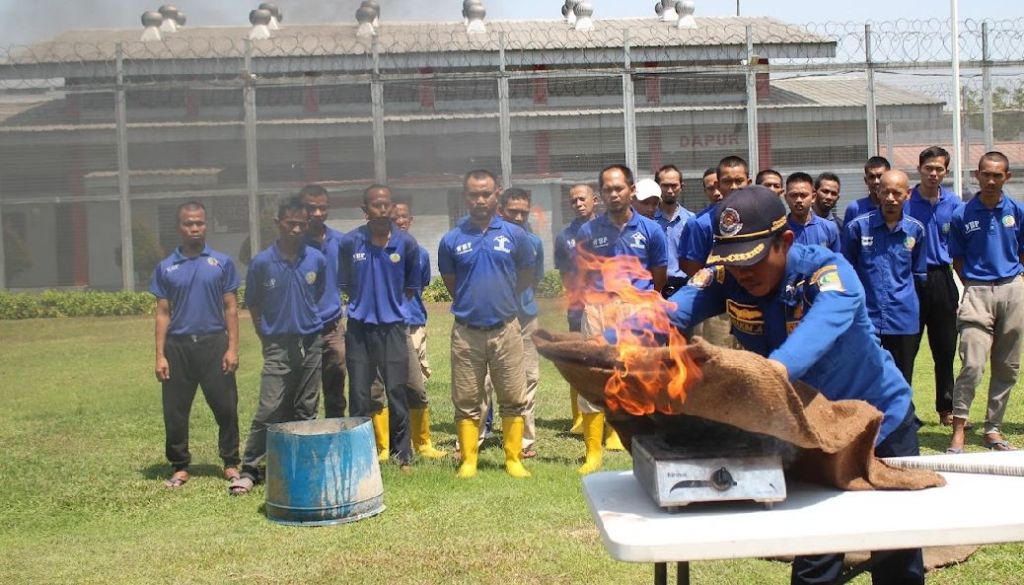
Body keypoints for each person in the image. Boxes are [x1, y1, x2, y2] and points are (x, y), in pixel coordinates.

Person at [665, 185, 924, 585]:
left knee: (895, 551)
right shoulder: (724, 277)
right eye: (732, 262)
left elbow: (789, 363)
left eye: (752, 260)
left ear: (785, 241)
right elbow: (666, 315)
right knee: (817, 549)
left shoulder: (831, 275)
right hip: (811, 431)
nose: (741, 272)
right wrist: (623, 333)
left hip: (879, 423)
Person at [438, 169, 535, 479]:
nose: (479, 200)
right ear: (465, 197)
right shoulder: (451, 239)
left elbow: (524, 277)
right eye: (473, 195)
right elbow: (452, 283)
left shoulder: (515, 235)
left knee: (513, 397)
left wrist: (501, 301)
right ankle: (468, 460)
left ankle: (513, 459)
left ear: (497, 194)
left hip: (506, 328)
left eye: (485, 194)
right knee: (467, 399)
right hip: (467, 332)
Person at [575, 164, 668, 474]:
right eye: (607, 189)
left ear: (631, 191)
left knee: (636, 375)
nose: (613, 194)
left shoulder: (651, 230)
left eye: (619, 188)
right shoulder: (588, 231)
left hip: (636, 311)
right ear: (601, 194)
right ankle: (593, 451)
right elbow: (584, 272)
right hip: (599, 310)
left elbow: (658, 275)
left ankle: (638, 442)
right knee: (593, 374)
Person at [232, 196, 327, 495]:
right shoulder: (261, 263)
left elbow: (319, 294)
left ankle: (298, 468)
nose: (296, 230)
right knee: (269, 408)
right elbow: (255, 305)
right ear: (278, 224)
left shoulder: (316, 259)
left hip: (311, 343)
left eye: (302, 224)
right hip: (277, 345)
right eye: (290, 224)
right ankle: (250, 469)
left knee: (306, 409)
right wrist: (266, 339)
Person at [150, 201, 241, 489]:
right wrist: (160, 356)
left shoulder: (221, 263)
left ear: (206, 225)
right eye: (189, 223)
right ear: (179, 227)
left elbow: (231, 308)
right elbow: (163, 313)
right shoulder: (166, 267)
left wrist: (232, 348)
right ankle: (179, 465)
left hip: (215, 344)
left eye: (199, 223)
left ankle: (230, 462)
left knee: (226, 407)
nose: (194, 228)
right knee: (175, 409)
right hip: (178, 347)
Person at [947, 151, 1024, 454]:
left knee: (1008, 366)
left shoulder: (1017, 211)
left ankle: (993, 429)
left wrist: (1014, 283)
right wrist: (976, 286)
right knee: (973, 364)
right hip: (976, 293)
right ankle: (959, 429)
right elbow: (957, 259)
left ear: (1007, 177)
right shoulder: (961, 215)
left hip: (1012, 290)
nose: (991, 180)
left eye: (997, 175)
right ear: (976, 175)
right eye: (986, 174)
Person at [341, 185, 421, 471]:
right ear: (365, 210)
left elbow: (411, 287)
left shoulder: (406, 244)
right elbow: (345, 284)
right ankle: (360, 454)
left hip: (393, 329)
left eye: (386, 204)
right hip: (359, 330)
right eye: (376, 205)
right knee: (360, 394)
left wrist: (389, 306)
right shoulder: (350, 243)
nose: (383, 209)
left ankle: (403, 455)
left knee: (397, 391)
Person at [843, 170, 927, 382]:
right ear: (878, 192)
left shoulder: (915, 230)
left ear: (907, 194)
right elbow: (846, 271)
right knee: (864, 377)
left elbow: (919, 274)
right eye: (886, 192)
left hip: (903, 318)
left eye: (897, 193)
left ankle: (900, 416)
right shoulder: (858, 227)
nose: (891, 198)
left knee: (901, 377)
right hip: (866, 317)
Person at [482, 187, 544, 458]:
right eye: (513, 212)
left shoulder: (534, 242)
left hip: (526, 317)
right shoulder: (485, 239)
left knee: (528, 377)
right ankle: (474, 438)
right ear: (500, 210)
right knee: (482, 380)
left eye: (524, 212)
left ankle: (524, 441)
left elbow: (534, 277)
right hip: (492, 319)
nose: (519, 217)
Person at [905, 146, 961, 425]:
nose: (934, 173)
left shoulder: (954, 203)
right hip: (911, 280)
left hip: (942, 278)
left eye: (939, 169)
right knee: (906, 349)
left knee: (945, 348)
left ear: (946, 172)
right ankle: (905, 411)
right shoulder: (905, 201)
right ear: (920, 169)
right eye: (929, 168)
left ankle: (946, 409)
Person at [391, 200, 446, 459]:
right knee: (390, 385)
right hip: (387, 326)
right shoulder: (378, 251)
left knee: (417, 383)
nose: (400, 221)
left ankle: (422, 442)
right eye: (394, 217)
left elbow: (421, 283)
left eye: (404, 217)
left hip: (413, 322)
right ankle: (387, 444)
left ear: (410, 220)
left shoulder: (421, 253)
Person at [679, 158, 748, 348]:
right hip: (717, 313)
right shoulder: (700, 224)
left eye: (739, 181)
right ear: (718, 185)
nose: (734, 187)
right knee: (715, 369)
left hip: (751, 307)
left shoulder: (759, 217)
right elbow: (691, 267)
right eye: (727, 182)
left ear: (749, 183)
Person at [300, 184, 347, 419]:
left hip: (333, 328)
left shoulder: (341, 242)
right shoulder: (294, 244)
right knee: (305, 394)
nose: (317, 213)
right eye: (311, 208)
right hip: (302, 330)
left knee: (336, 388)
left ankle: (335, 436)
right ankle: (306, 439)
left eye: (322, 208)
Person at [554, 183, 598, 434]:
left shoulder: (606, 229)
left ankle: (610, 420)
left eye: (583, 199)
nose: (579, 204)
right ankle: (579, 418)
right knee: (577, 361)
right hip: (578, 307)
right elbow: (564, 273)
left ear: (595, 200)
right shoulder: (564, 236)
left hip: (605, 307)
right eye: (573, 201)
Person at [654, 164, 695, 296]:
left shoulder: (691, 220)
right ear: (657, 186)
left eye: (674, 185)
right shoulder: (647, 221)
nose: (670, 190)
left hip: (684, 288)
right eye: (665, 186)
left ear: (681, 187)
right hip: (653, 289)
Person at [784, 172, 841, 253]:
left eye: (803, 195)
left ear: (813, 197)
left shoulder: (829, 228)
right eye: (794, 195)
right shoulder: (779, 232)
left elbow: (837, 262)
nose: (799, 200)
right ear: (786, 198)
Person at [843, 156, 891, 225]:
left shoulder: (899, 207)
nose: (876, 181)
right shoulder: (855, 208)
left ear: (889, 177)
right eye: (871, 177)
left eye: (880, 176)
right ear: (866, 180)